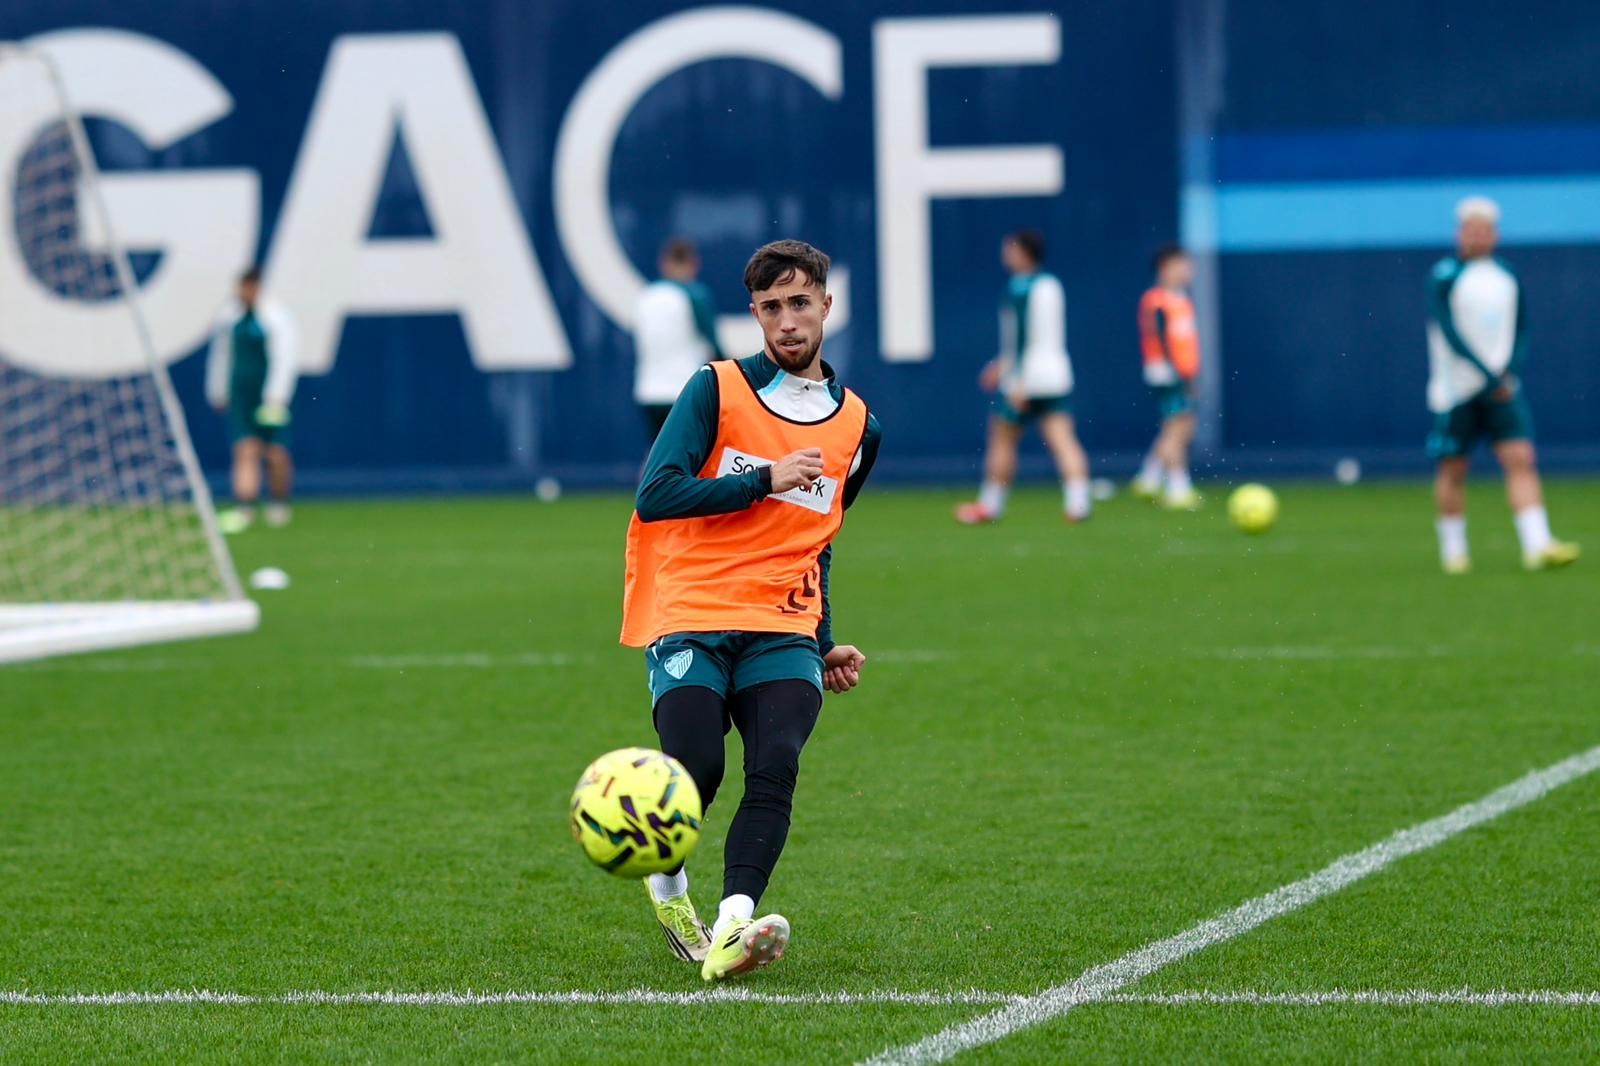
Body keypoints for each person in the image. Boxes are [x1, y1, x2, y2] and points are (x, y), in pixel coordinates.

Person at [620, 239, 882, 981]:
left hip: (784, 622)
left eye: (801, 303)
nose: (788, 320)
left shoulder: (859, 426)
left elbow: (819, 538)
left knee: (775, 764)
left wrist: (824, 639)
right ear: (755, 314)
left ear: (827, 306)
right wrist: (763, 477)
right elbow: (657, 492)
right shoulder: (716, 388)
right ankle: (670, 890)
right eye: (772, 307)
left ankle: (733, 925)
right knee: (696, 769)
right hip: (694, 605)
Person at [1427, 197, 1579, 574]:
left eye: (1485, 230)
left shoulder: (1506, 276)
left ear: (1494, 235)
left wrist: (1509, 372)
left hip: (1502, 391)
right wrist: (1487, 373)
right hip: (1457, 390)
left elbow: (1521, 328)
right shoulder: (1445, 276)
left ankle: (1537, 545)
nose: (1478, 237)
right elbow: (1449, 332)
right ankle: (1454, 551)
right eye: (1471, 230)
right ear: (1460, 233)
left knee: (1521, 459)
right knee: (1453, 469)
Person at [954, 229, 1091, 524]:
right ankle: (1078, 503)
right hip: (1055, 374)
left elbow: (1022, 337)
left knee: (1002, 437)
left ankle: (990, 505)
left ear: (1022, 252)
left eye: (1009, 249)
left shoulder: (1019, 288)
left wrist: (1016, 379)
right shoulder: (1052, 284)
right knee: (1063, 438)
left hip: (1026, 378)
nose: (1005, 255)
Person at [205, 267, 298, 534]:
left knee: (276, 453)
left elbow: (284, 358)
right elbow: (222, 355)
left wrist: (277, 396)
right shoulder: (229, 316)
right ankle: (244, 508)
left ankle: (279, 502)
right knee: (245, 449)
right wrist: (218, 390)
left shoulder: (275, 317)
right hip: (241, 392)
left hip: (269, 394)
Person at [1132, 245, 1203, 510]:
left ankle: (1148, 478)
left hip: (1180, 373)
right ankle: (1177, 487)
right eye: (1181, 265)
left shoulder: (1180, 299)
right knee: (1177, 428)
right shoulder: (1158, 300)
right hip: (1168, 375)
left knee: (1180, 428)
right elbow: (1163, 342)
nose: (1188, 270)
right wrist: (1180, 376)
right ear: (1165, 267)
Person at [634, 238, 724, 440]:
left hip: (648, 392)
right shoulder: (694, 295)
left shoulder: (646, 297)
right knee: (689, 456)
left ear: (663, 263)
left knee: (656, 454)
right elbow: (714, 344)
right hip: (684, 392)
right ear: (694, 265)